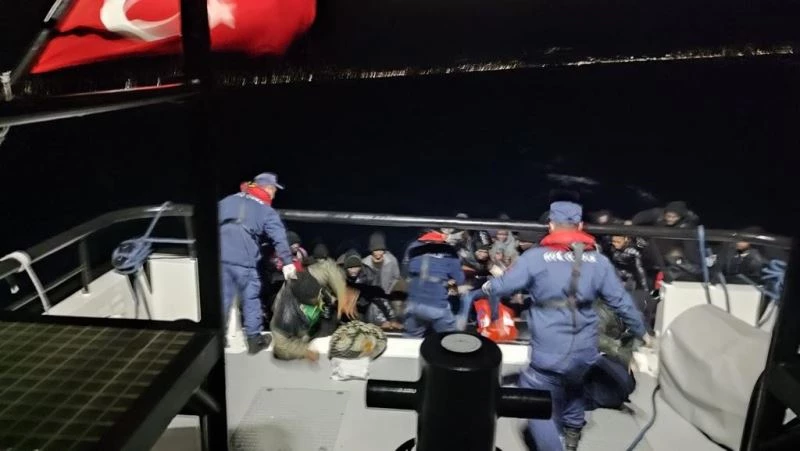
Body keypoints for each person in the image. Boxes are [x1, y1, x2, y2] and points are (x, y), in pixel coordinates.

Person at [483, 201, 648, 451]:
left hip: (549, 350)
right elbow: (621, 301)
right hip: (585, 350)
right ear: (580, 226)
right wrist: (641, 331)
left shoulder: (535, 258)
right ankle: (572, 433)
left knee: (536, 399)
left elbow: (501, 287)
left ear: (551, 225)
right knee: (574, 386)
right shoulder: (598, 261)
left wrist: (490, 284)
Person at [219, 172, 298, 355]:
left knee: (222, 297)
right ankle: (254, 340)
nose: (274, 194)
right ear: (268, 189)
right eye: (274, 190)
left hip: (221, 257)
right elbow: (279, 238)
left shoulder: (228, 200)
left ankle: (217, 337)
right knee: (251, 297)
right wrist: (288, 262)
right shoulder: (266, 210)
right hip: (244, 260)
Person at [404, 230, 465, 337]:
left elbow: (406, 271)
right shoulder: (449, 252)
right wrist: (450, 284)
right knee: (450, 339)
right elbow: (459, 279)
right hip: (436, 307)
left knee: (411, 339)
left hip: (413, 306)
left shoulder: (413, 249)